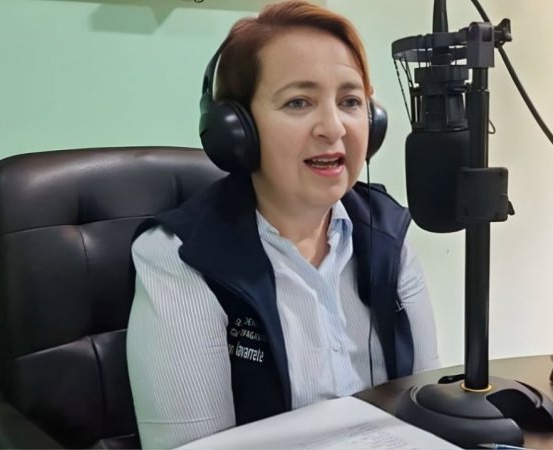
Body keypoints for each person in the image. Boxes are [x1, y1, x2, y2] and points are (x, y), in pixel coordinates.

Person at [127, 1, 440, 448]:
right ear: (237, 129)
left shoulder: (388, 233)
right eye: (298, 102)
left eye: (350, 102)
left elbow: (424, 406)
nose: (333, 128)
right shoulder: (182, 258)